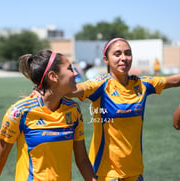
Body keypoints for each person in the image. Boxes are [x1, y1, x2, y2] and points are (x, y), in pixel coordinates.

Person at [67, 38, 180, 180]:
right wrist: (44, 87)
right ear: (106, 60)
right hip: (107, 172)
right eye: (117, 54)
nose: (123, 58)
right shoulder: (100, 85)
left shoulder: (143, 84)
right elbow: (72, 91)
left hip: (135, 170)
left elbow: (174, 80)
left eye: (127, 53)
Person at [0, 50, 96, 181]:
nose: (76, 73)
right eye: (70, 69)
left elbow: (82, 160)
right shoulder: (19, 113)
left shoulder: (73, 110)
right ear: (53, 76)